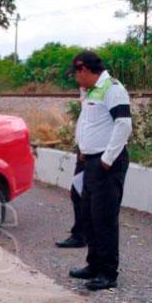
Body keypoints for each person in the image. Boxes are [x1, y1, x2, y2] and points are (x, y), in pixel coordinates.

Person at [67, 51, 132, 290]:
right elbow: (89, 124)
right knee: (89, 216)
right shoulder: (91, 91)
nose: (75, 79)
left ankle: (107, 272)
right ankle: (93, 264)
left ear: (83, 69)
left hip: (107, 163)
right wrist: (84, 148)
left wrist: (107, 158)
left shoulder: (112, 88)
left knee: (104, 218)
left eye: (75, 73)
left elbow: (124, 124)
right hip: (90, 161)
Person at [55, 86, 88, 249]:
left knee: (83, 195)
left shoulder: (102, 92)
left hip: (91, 153)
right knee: (78, 193)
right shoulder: (88, 93)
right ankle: (81, 233)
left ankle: (82, 235)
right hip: (84, 151)